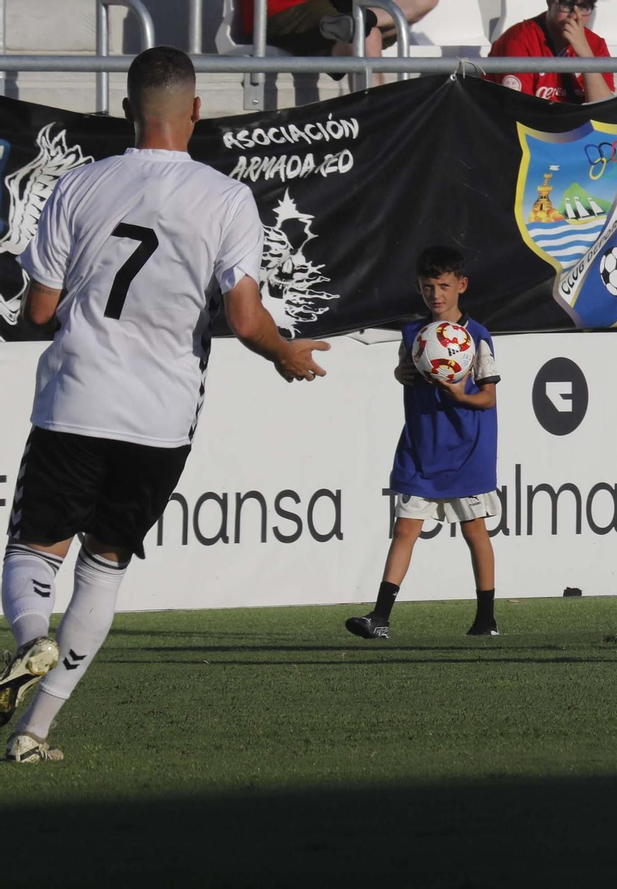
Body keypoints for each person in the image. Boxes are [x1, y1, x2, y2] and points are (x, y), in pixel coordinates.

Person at [0, 47, 330, 764]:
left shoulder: (79, 185)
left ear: (127, 111)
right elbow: (246, 320)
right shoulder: (225, 198)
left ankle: (31, 639)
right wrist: (286, 353)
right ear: (196, 112)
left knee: (33, 549)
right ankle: (35, 731)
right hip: (160, 418)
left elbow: (39, 309)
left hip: (78, 398)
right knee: (106, 562)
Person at [346, 247, 501, 640]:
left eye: (445, 286)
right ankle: (379, 617)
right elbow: (407, 373)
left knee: (474, 533)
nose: (437, 294)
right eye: (429, 286)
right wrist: (402, 373)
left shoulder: (478, 337)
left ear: (461, 286)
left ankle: (486, 619)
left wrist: (462, 397)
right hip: (420, 448)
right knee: (404, 530)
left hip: (465, 450)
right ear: (419, 287)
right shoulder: (413, 335)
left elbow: (488, 398)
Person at [238, 0, 438, 69]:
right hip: (283, 9)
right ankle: (377, 123)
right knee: (367, 37)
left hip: (335, 7)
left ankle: (363, 19)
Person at [488, 0, 615, 103]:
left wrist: (586, 55)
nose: (575, 15)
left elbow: (604, 112)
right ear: (550, 2)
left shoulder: (595, 45)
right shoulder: (519, 40)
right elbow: (518, 110)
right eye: (567, 4)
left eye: (584, 6)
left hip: (578, 131)